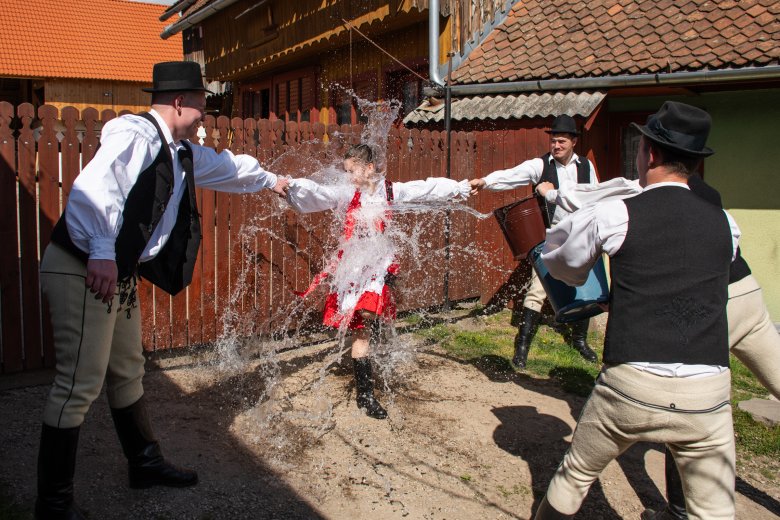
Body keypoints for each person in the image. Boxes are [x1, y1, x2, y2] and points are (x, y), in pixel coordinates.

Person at [36, 61, 289, 519]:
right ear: (179, 102)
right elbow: (95, 190)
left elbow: (228, 169)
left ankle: (145, 463)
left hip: (115, 269)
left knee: (128, 368)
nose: (205, 115)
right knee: (78, 384)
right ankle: (52, 505)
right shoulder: (134, 133)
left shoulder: (178, 151)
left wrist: (273, 181)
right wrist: (100, 252)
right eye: (201, 106)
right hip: (82, 267)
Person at [533, 101, 741, 519]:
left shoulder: (617, 213)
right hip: (708, 392)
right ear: (696, 164)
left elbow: (564, 267)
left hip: (633, 383)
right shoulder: (727, 224)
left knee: (574, 476)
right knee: (715, 513)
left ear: (651, 154)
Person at [541, 168, 780, 520]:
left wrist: (551, 196)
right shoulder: (709, 202)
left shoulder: (641, 194)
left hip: (709, 305)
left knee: (682, 393)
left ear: (652, 156)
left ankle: (680, 511)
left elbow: (658, 267)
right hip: (747, 291)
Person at [286, 143, 470, 419]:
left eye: (353, 171)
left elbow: (426, 188)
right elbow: (320, 194)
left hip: (378, 268)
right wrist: (289, 186)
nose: (349, 177)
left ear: (369, 168)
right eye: (346, 172)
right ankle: (366, 395)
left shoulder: (390, 191)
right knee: (362, 325)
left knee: (368, 315)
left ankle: (373, 352)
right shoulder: (347, 194)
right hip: (353, 269)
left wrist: (462, 187)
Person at [469, 115, 599, 369]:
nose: (556, 145)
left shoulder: (586, 167)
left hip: (581, 236)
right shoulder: (541, 165)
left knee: (584, 289)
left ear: (573, 141)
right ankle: (522, 347)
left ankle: (580, 341)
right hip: (551, 238)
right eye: (554, 140)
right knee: (538, 291)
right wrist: (486, 182)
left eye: (562, 141)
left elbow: (594, 198)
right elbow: (514, 175)